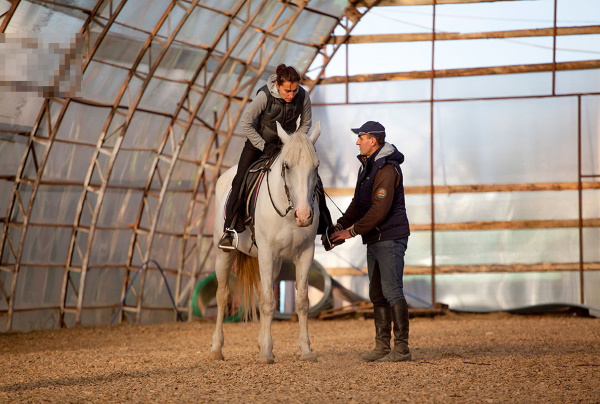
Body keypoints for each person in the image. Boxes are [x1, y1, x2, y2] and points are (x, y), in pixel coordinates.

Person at [218, 64, 335, 250]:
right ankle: (229, 230)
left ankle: (326, 228)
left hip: (286, 144)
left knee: (314, 179)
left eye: (294, 90)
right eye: (287, 90)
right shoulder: (264, 95)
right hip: (258, 143)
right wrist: (263, 145)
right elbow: (245, 123)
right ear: (278, 85)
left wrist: (294, 142)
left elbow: (306, 124)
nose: (291, 95)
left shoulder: (303, 96)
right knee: (239, 180)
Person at [329, 121, 411, 362]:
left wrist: (351, 232)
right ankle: (382, 345)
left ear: (373, 140)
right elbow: (359, 204)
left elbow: (379, 210)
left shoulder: (387, 169)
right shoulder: (367, 166)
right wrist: (340, 226)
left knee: (392, 291)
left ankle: (402, 348)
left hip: (390, 237)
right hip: (375, 238)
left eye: (361, 137)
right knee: (377, 293)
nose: (357, 142)